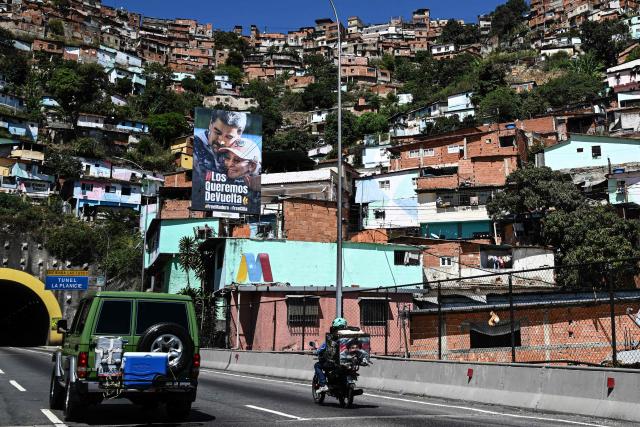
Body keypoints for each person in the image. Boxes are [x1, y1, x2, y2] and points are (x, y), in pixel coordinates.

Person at [314, 317, 348, 393]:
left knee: (317, 365)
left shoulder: (331, 339)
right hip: (346, 362)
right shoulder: (349, 339)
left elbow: (321, 349)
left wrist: (317, 351)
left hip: (333, 363)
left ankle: (323, 385)